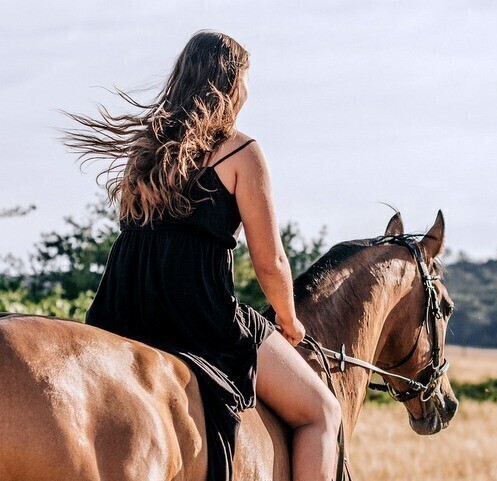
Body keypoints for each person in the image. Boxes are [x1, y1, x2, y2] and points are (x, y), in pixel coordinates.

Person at [60, 30, 342, 481]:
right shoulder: (241, 151)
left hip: (124, 309)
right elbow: (270, 263)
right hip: (198, 316)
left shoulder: (146, 149)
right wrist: (289, 321)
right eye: (245, 79)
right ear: (231, 82)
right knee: (322, 412)